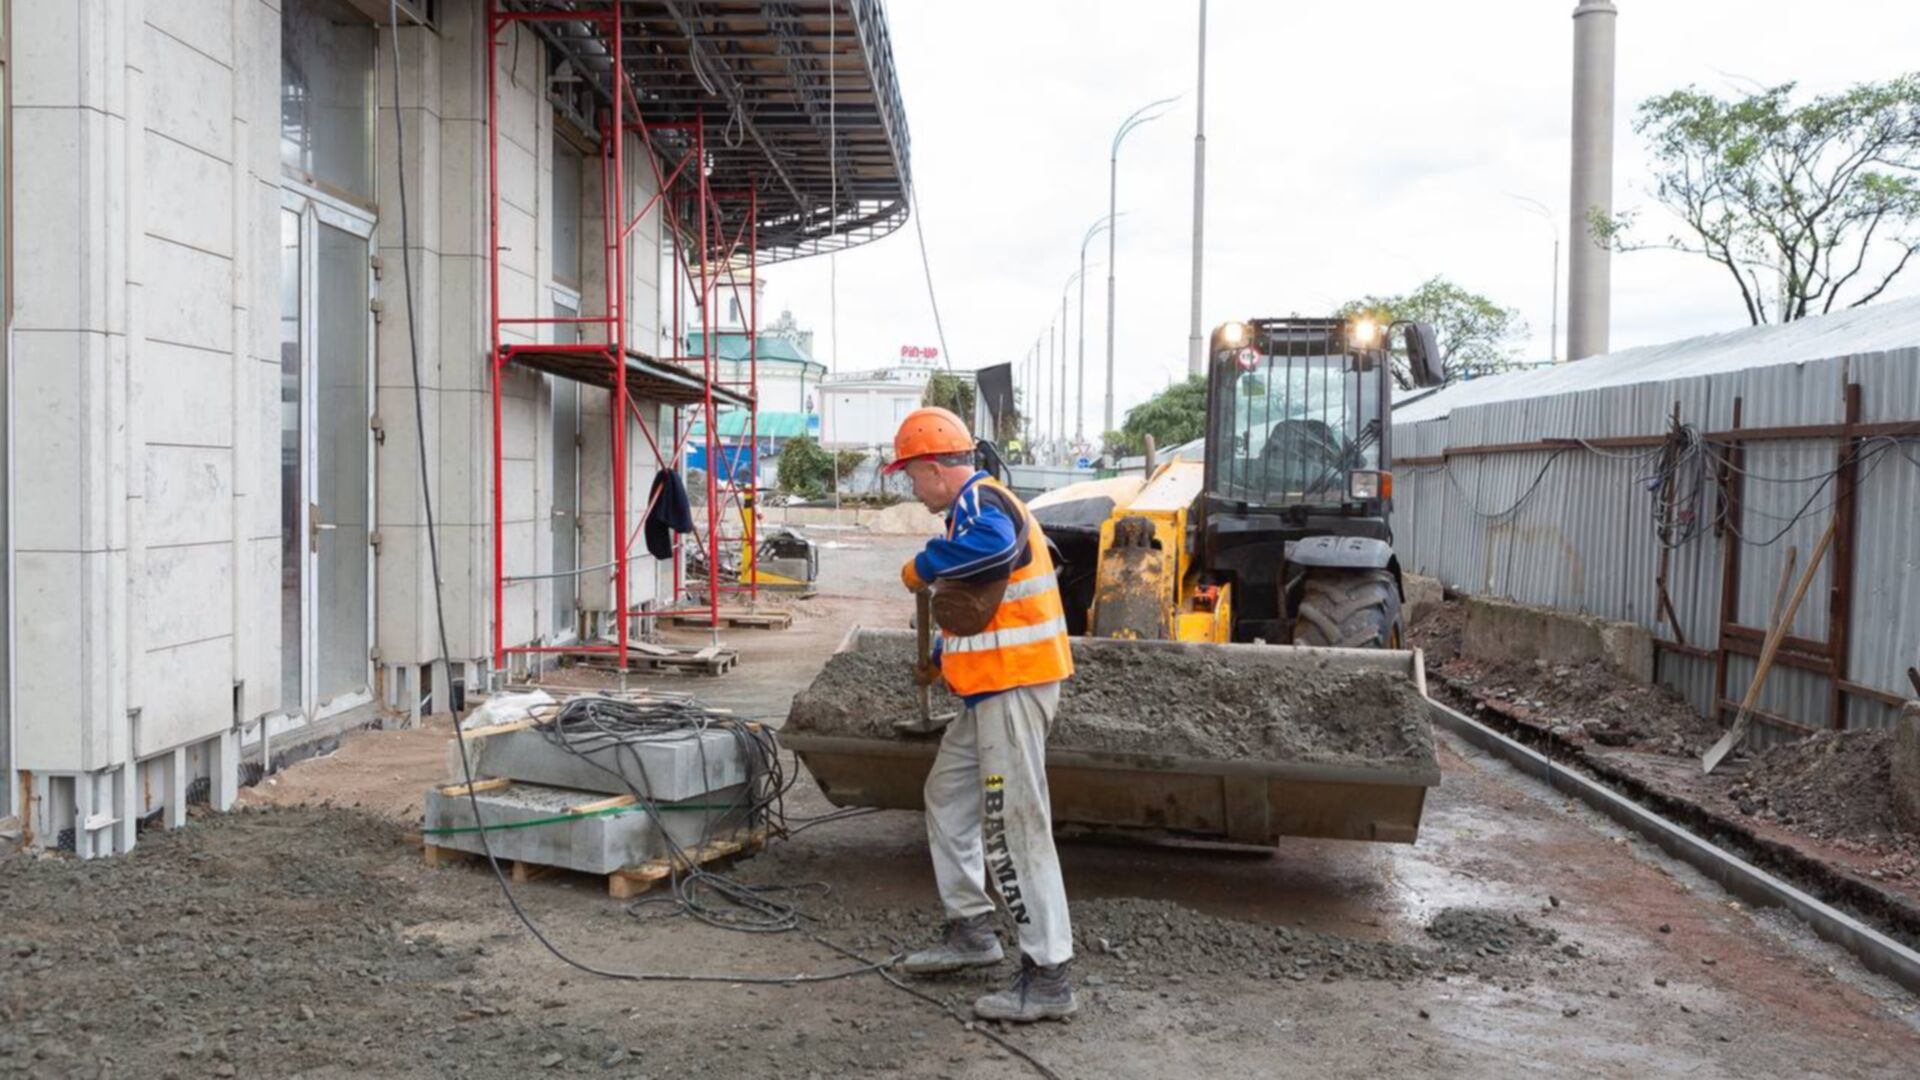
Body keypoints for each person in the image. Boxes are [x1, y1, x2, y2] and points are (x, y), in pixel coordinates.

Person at [882, 406, 1078, 1023]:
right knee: (947, 796)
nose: (912, 488)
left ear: (936, 468)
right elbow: (989, 600)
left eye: (912, 476)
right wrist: (945, 652)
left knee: (1012, 824)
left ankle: (1049, 975)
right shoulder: (973, 505)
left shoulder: (981, 503)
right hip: (987, 690)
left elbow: (993, 552)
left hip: (1012, 690)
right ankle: (971, 930)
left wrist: (925, 566)